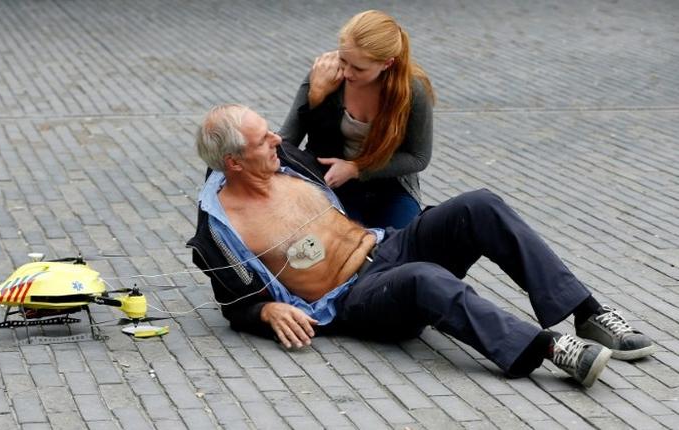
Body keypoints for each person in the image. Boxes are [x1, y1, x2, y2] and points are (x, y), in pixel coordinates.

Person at [188, 104, 656, 387]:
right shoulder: (220, 231)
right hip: (357, 299)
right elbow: (233, 303)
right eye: (263, 138)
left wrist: (318, 90)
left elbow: (318, 125)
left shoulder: (284, 159)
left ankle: (587, 312)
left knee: (479, 205)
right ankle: (549, 349)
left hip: (388, 244)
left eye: (272, 131)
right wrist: (266, 313)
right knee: (424, 279)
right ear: (233, 161)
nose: (277, 139)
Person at [279, 10, 434, 229]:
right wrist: (316, 96)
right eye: (343, 60)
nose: (347, 73)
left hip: (390, 185)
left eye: (359, 68)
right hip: (331, 183)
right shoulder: (324, 74)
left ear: (387, 64)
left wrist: (355, 168)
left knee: (403, 247)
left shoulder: (411, 90)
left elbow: (418, 157)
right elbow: (286, 141)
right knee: (345, 248)